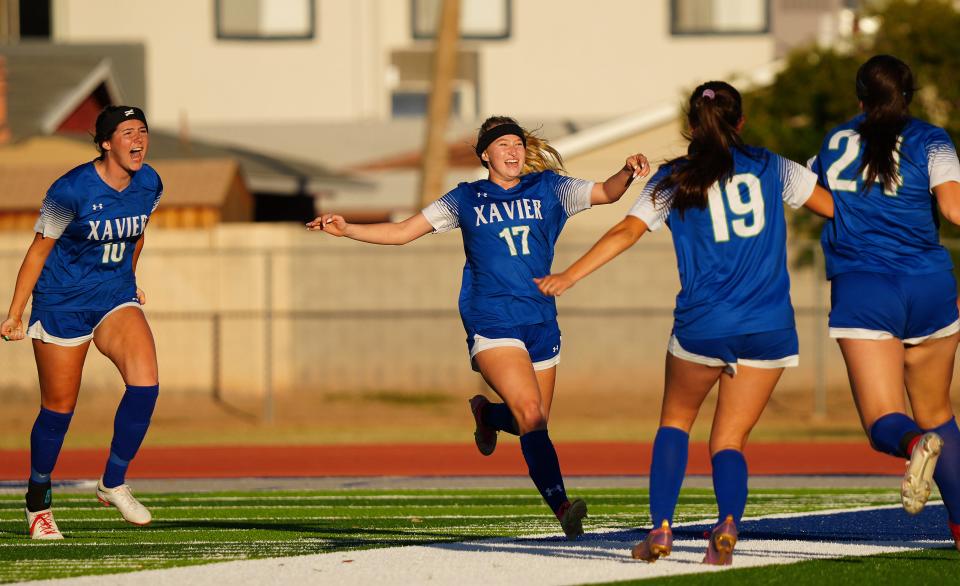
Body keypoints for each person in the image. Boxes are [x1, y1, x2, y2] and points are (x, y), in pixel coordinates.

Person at [307, 116, 649, 539]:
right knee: (531, 414)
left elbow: (606, 193)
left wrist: (628, 172)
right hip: (492, 319)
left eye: (517, 144)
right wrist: (348, 229)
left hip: (541, 320)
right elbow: (401, 232)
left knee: (534, 419)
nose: (512, 151)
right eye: (502, 144)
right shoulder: (465, 198)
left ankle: (485, 413)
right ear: (485, 154)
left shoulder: (549, 188)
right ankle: (562, 506)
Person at [536, 82, 834, 564]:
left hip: (704, 324)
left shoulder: (675, 177)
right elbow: (833, 208)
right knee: (730, 440)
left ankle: (661, 529)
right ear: (740, 122)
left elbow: (626, 230)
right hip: (769, 325)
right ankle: (729, 522)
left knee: (675, 423)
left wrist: (569, 275)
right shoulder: (771, 165)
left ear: (691, 126)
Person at [809, 54, 960, 550]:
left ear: (860, 98)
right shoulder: (932, 139)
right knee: (939, 412)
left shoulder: (835, 141)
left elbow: (811, 194)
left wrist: (850, 218)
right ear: (909, 96)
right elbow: (954, 209)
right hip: (930, 284)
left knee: (884, 423)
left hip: (864, 286)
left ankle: (914, 445)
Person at [1, 106, 162, 539]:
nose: (138, 139)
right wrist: (16, 312)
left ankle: (112, 482)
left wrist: (131, 277)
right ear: (106, 142)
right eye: (127, 131)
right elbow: (38, 250)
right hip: (62, 303)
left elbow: (138, 231)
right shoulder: (70, 189)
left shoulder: (150, 182)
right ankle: (37, 500)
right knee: (58, 409)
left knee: (146, 384)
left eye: (143, 131)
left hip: (113, 296)